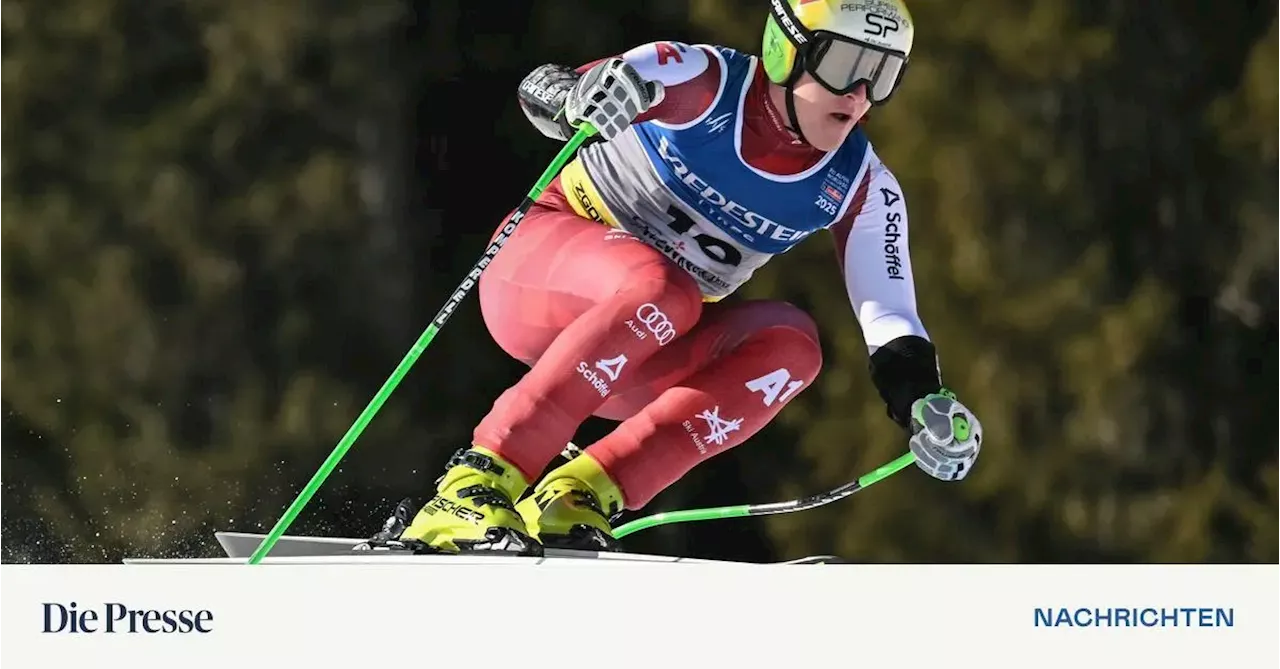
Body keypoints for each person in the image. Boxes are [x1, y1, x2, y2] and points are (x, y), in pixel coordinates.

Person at [374, 0, 984, 555]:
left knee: (791, 349)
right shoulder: (703, 81)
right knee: (665, 290)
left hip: (633, 351)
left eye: (882, 74)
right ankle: (476, 481)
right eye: (846, 63)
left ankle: (580, 494)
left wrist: (922, 403)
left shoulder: (862, 186)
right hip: (536, 278)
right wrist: (575, 99)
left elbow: (891, 316)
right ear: (786, 49)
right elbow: (555, 90)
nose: (858, 93)